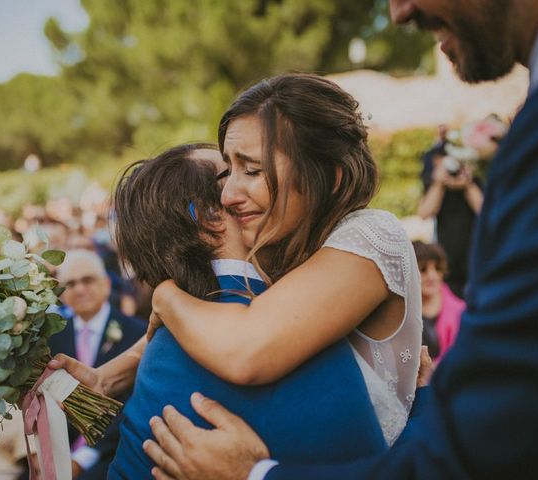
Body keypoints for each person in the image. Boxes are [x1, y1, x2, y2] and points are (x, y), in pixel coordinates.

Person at [141, 0, 538, 479]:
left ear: (332, 179)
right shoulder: (285, 251)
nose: (230, 193)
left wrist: (166, 295)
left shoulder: (368, 235)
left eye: (251, 170)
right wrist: (126, 364)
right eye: (227, 170)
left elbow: (246, 346)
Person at [107, 143, 391, 478]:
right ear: (211, 216)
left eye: (250, 171)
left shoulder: (164, 344)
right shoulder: (293, 334)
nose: (261, 180)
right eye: (232, 173)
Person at [48, 249, 146, 480]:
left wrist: (82, 460)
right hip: (60, 450)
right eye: (71, 283)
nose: (80, 289)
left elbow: (132, 404)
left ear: (105, 284)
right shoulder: (52, 338)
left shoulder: (138, 334)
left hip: (115, 451)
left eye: (87, 280)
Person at [417, 139, 483, 298]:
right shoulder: (436, 186)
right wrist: (439, 184)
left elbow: (484, 210)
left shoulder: (474, 182)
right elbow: (424, 213)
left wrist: (467, 185)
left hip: (474, 256)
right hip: (447, 259)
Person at [413, 241, 463, 362]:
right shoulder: (400, 309)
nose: (432, 275)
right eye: (423, 269)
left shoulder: (460, 311)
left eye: (437, 268)